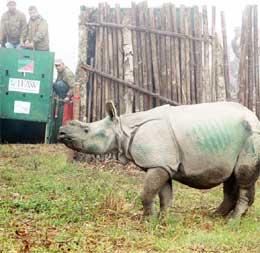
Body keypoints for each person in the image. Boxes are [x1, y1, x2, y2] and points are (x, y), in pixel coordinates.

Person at [53, 59, 76, 125]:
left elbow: (73, 87)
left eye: (59, 65)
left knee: (59, 84)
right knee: (55, 84)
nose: (57, 67)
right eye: (56, 66)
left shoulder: (67, 73)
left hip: (67, 98)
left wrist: (68, 96)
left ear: (63, 65)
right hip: (61, 97)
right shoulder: (60, 72)